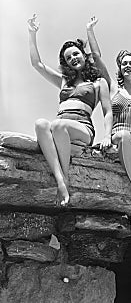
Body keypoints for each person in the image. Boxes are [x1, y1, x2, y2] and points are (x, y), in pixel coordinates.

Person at [28, 14, 112, 206]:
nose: (73, 58)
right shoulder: (64, 81)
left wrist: (107, 136)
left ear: (83, 55)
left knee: (58, 125)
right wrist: (32, 34)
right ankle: (60, 180)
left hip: (82, 128)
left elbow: (107, 111)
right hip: (60, 127)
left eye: (75, 54)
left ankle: (65, 178)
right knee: (41, 123)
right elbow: (37, 64)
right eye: (68, 58)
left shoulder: (98, 82)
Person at [86, 17, 131, 226]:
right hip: (118, 134)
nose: (128, 65)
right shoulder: (113, 88)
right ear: (120, 68)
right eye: (124, 63)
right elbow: (97, 59)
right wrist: (89, 30)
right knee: (125, 136)